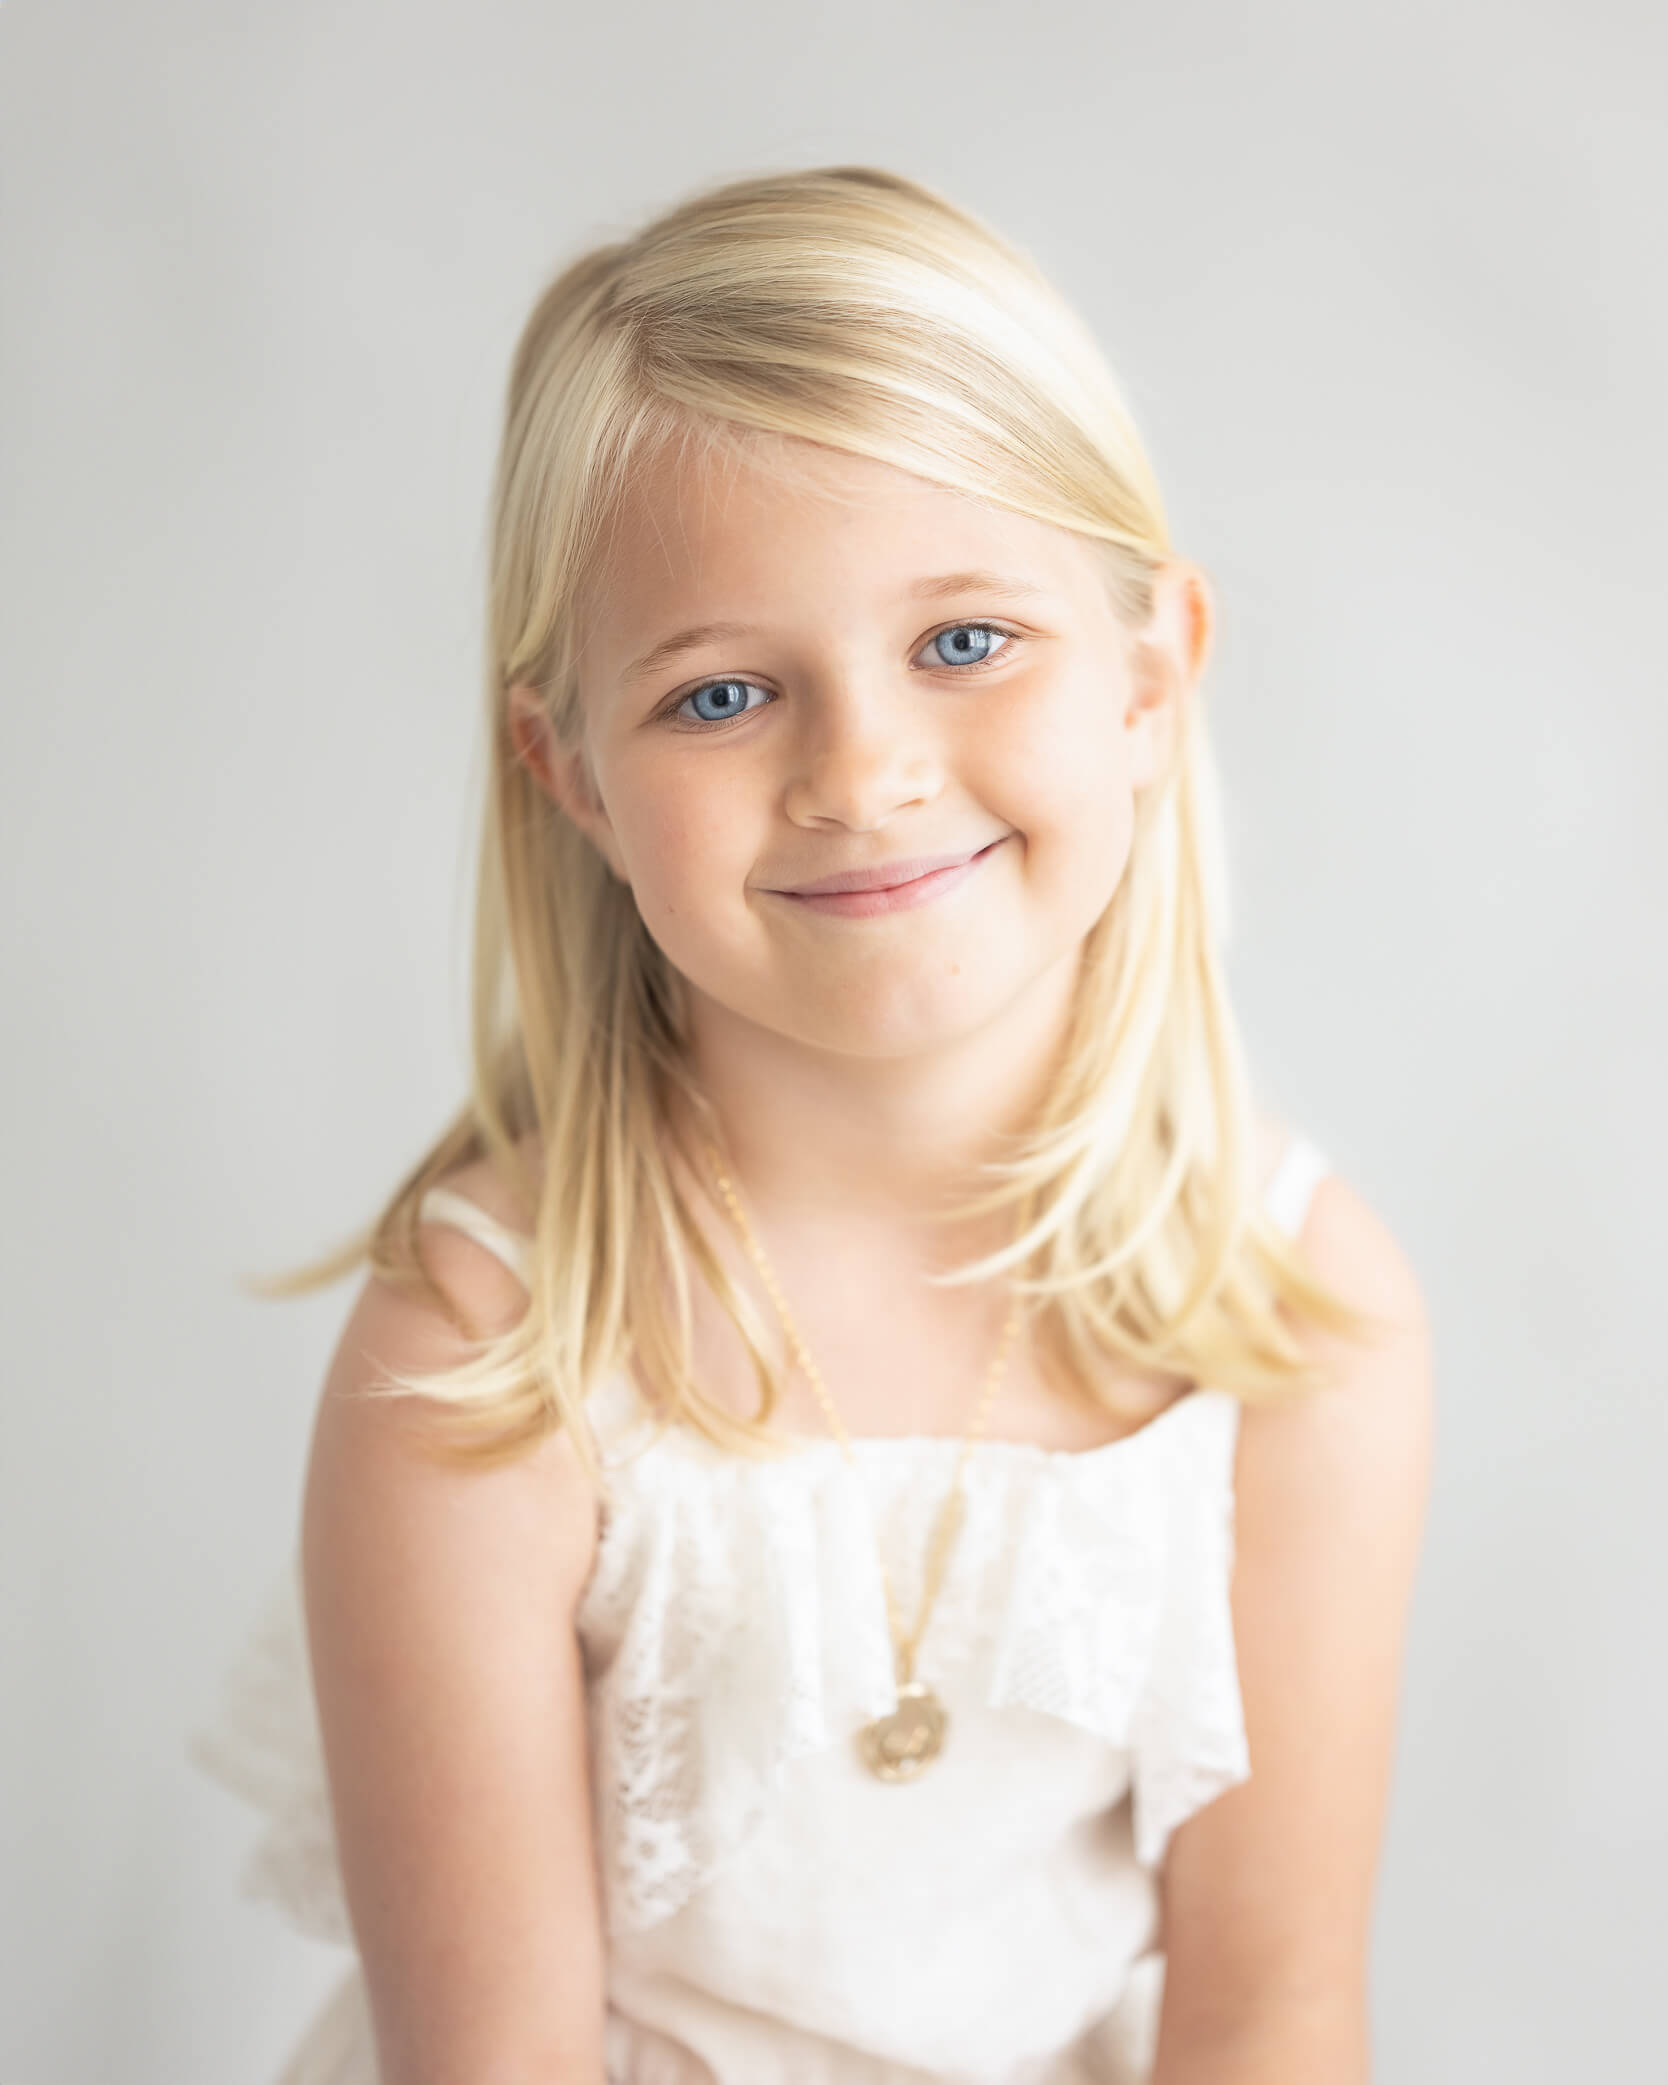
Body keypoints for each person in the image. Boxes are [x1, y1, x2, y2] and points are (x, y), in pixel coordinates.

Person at [192, 164, 1433, 2085]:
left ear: (1150, 675)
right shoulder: (489, 1356)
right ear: (572, 773)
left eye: (963, 643)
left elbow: (1269, 2015)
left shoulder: (1291, 1314)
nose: (862, 773)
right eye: (723, 692)